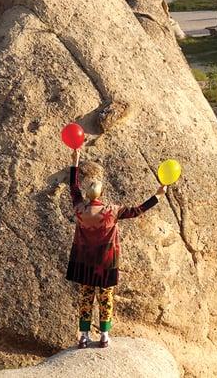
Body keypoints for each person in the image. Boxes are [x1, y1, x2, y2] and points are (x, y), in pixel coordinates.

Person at [67, 137, 164, 349]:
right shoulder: (112, 210)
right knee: (106, 299)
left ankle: (83, 336)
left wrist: (75, 162)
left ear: (88, 195)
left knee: (85, 298)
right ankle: (104, 335)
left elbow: (73, 188)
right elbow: (137, 210)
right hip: (106, 264)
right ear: (101, 194)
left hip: (84, 262)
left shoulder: (79, 209)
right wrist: (157, 196)